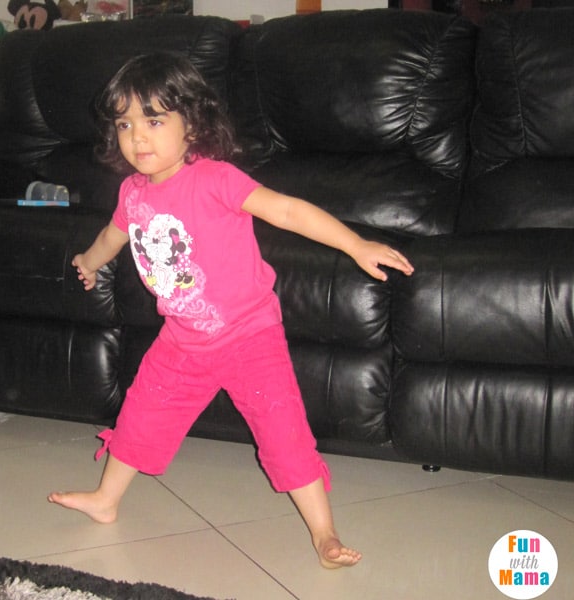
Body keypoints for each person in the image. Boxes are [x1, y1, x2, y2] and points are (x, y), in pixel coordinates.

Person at [48, 52, 414, 569]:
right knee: (140, 418)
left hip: (250, 338)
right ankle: (106, 501)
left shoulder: (215, 178)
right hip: (182, 341)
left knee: (284, 436)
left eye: (154, 121)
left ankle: (324, 533)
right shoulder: (132, 193)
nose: (138, 137)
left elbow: (285, 209)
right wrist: (89, 259)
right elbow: (115, 234)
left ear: (191, 124)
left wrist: (354, 244)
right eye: (126, 124)